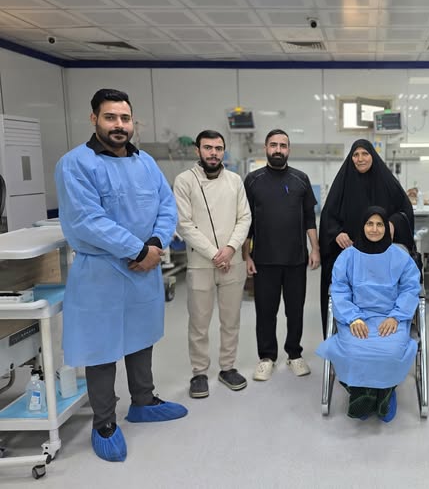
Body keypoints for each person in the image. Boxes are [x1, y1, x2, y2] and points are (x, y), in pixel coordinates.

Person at [55, 88, 187, 463]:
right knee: (102, 347)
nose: (119, 125)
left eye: (125, 118)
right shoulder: (75, 164)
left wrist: (156, 243)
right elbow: (88, 221)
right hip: (102, 271)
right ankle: (104, 423)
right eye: (110, 117)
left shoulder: (145, 163)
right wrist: (139, 251)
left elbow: (166, 205)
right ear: (94, 118)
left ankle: (143, 401)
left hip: (143, 268)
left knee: (140, 337)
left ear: (133, 123)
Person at [316, 206, 421, 422]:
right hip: (355, 317)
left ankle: (385, 393)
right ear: (362, 227)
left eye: (379, 224)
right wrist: (353, 317)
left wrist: (396, 316)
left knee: (391, 351)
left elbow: (410, 288)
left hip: (391, 317)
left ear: (386, 228)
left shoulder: (399, 257)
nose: (374, 229)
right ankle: (362, 394)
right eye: (369, 224)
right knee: (353, 350)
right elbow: (339, 290)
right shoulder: (347, 257)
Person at [174, 130, 252, 399]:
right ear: (198, 150)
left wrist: (230, 250)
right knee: (199, 322)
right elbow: (184, 224)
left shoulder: (235, 181)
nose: (213, 153)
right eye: (208, 148)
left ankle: (228, 367)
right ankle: (199, 372)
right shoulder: (184, 181)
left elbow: (245, 218)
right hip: (201, 263)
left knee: (231, 320)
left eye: (218, 148)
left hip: (233, 261)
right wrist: (214, 254)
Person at [244, 129, 320, 381]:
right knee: (265, 311)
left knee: (295, 310)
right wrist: (247, 256)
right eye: (273, 145)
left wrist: (315, 248)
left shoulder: (301, 179)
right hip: (264, 259)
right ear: (265, 148)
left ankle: (294, 354)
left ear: (289, 149)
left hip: (295, 259)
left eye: (283, 145)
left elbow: (310, 218)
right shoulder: (253, 180)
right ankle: (266, 357)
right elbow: (246, 222)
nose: (278, 149)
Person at [319, 139, 414, 334]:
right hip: (350, 254)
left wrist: (393, 223)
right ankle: (346, 325)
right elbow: (328, 216)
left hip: (382, 259)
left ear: (373, 156)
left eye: (365, 154)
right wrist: (337, 233)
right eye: (356, 154)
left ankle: (390, 321)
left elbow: (405, 210)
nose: (360, 158)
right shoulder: (342, 184)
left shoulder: (387, 183)